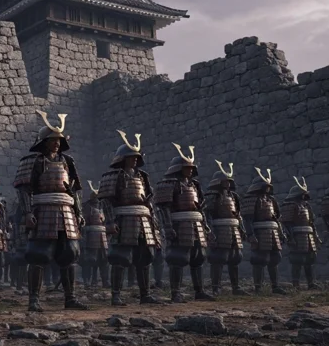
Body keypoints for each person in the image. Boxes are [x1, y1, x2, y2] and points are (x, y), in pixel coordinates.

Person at [15, 110, 87, 312]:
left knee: (70, 253)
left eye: (59, 140)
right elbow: (24, 189)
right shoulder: (34, 161)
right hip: (43, 211)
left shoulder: (68, 162)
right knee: (38, 254)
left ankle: (70, 298)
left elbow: (74, 190)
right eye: (53, 140)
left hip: (66, 212)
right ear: (44, 142)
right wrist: (28, 213)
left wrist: (79, 212)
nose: (56, 143)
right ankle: (34, 300)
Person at [97, 131, 162, 306]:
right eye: (131, 157)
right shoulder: (113, 177)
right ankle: (116, 295)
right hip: (123, 220)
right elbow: (106, 201)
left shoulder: (143, 176)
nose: (134, 159)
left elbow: (149, 202)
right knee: (120, 257)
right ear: (123, 158)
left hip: (143, 220)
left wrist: (154, 226)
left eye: (136, 157)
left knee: (145, 256)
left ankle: (145, 295)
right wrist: (110, 222)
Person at [154, 143, 215, 303]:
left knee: (198, 257)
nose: (190, 170)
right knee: (178, 258)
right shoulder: (169, 185)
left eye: (191, 168)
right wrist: (168, 227)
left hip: (196, 224)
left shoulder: (195, 185)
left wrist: (206, 227)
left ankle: (199, 291)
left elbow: (200, 207)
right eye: (187, 167)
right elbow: (164, 208)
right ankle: (175, 293)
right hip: (179, 225)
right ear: (178, 169)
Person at [203, 161, 248, 296]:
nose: (227, 183)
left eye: (229, 181)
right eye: (225, 181)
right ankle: (216, 287)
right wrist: (209, 231)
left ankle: (236, 287)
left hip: (233, 229)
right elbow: (207, 215)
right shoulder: (212, 196)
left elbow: (238, 215)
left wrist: (242, 229)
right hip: (219, 230)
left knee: (235, 258)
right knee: (218, 258)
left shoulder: (234, 196)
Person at [241, 168, 287, 295]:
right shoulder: (252, 199)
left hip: (273, 232)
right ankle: (258, 287)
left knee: (275, 258)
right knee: (260, 259)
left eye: (268, 185)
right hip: (260, 232)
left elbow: (277, 218)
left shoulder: (271, 200)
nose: (267, 188)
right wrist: (251, 235)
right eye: (264, 185)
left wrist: (281, 233)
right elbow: (248, 219)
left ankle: (275, 286)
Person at [280, 176, 321, 289]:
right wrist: (291, 238)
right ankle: (296, 284)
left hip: (308, 236)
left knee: (309, 259)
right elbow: (287, 224)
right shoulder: (290, 206)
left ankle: (310, 283)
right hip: (297, 236)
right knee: (297, 260)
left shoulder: (306, 206)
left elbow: (311, 223)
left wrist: (315, 236)